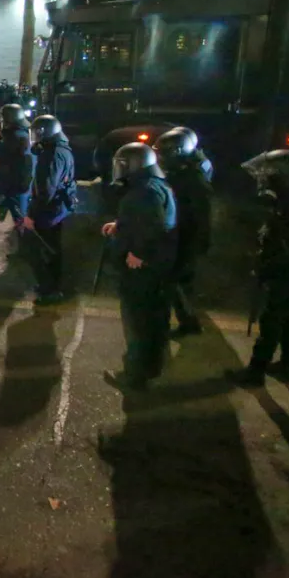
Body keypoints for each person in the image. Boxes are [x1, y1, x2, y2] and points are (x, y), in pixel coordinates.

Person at [227, 150, 289, 388]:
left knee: (271, 322)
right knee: (287, 319)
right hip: (288, 270)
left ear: (280, 175)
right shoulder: (288, 196)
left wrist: (273, 265)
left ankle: (255, 373)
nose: (262, 178)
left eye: (267, 174)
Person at [101, 143, 178, 391]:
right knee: (153, 318)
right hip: (156, 265)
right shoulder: (151, 185)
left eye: (122, 164)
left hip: (143, 268)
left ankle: (136, 376)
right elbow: (144, 219)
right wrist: (120, 225)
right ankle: (152, 365)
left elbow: (153, 225)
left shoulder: (145, 191)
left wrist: (139, 253)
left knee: (138, 322)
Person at [154, 128, 212, 337]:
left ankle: (189, 323)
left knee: (177, 281)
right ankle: (188, 320)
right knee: (178, 281)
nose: (160, 158)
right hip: (183, 234)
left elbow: (197, 215)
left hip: (186, 237)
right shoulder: (189, 168)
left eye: (164, 154)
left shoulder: (193, 179)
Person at [23, 115, 76, 305]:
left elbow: (45, 191)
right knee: (52, 249)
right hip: (58, 208)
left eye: (38, 134)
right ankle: (52, 286)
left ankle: (50, 290)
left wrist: (30, 215)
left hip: (48, 211)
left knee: (37, 250)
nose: (35, 138)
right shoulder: (62, 149)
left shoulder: (52, 155)